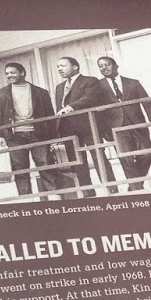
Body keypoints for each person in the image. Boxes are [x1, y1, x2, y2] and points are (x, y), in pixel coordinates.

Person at [95, 55, 151, 191]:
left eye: (107, 65)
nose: (104, 68)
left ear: (116, 66)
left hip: (137, 124)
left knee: (147, 153)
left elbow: (147, 103)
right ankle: (136, 188)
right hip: (116, 128)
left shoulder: (133, 83)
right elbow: (97, 112)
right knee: (126, 158)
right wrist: (103, 132)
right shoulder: (98, 86)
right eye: (100, 66)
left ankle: (135, 185)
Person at [0, 62, 56, 199]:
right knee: (20, 168)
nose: (9, 75)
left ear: (22, 73)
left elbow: (50, 115)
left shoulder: (41, 92)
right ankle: (27, 199)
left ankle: (54, 196)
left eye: (13, 72)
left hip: (38, 134)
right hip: (15, 136)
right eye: (7, 73)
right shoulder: (1, 93)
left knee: (46, 164)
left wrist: (53, 138)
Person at [52, 56, 107, 199]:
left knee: (99, 157)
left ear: (75, 67)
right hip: (68, 130)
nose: (59, 69)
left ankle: (111, 188)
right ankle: (87, 193)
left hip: (89, 126)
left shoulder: (90, 81)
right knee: (77, 162)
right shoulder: (59, 87)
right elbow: (59, 109)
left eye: (63, 66)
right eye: (58, 67)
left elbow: (90, 98)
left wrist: (71, 107)